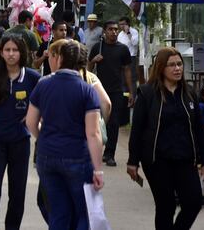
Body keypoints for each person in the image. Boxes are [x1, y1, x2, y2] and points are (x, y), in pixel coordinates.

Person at [127, 47, 204, 230]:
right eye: (171, 65)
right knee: (166, 207)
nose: (177, 69)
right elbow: (137, 130)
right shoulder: (147, 93)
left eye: (179, 64)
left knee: (193, 203)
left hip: (185, 159)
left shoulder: (189, 93)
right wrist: (132, 161)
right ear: (161, 68)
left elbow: (199, 128)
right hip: (157, 160)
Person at [25, 39, 104, 230]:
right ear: (83, 63)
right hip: (77, 156)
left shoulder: (43, 84)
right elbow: (93, 133)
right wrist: (98, 168)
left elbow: (30, 122)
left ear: (60, 58)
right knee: (83, 213)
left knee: (58, 213)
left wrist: (43, 138)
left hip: (47, 156)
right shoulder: (87, 90)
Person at [0, 35, 40, 230]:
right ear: (1, 53)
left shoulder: (33, 77)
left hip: (20, 140)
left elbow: (45, 98)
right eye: (7, 50)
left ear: (22, 53)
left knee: (17, 191)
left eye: (15, 50)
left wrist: (32, 114)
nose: (11, 54)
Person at [88, 20, 134, 167]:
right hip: (98, 90)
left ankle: (109, 154)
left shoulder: (123, 49)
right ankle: (94, 151)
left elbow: (127, 70)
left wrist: (131, 91)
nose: (113, 32)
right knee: (96, 122)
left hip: (116, 91)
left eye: (115, 29)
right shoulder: (98, 48)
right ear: (105, 32)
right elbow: (88, 69)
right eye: (110, 29)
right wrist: (94, 60)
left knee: (113, 123)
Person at [118, 16, 140, 87]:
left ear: (128, 24)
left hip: (131, 57)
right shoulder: (120, 34)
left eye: (123, 24)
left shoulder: (134, 32)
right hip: (121, 58)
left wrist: (128, 33)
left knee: (132, 77)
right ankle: (125, 96)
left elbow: (135, 43)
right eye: (120, 24)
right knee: (123, 77)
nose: (122, 26)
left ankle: (133, 95)